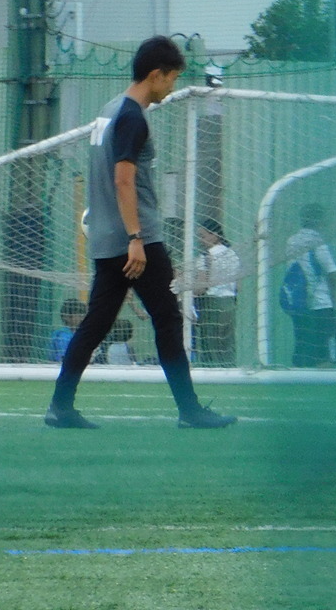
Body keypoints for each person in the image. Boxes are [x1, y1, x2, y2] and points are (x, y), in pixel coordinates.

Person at [45, 36, 234, 429]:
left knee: (96, 322)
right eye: (172, 79)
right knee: (168, 320)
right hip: (137, 242)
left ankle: (60, 406)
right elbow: (123, 181)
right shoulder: (132, 116)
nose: (173, 88)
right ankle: (190, 411)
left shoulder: (108, 110)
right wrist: (135, 238)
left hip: (105, 238)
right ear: (156, 75)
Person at [285, 203, 336, 368]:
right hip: (320, 303)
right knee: (326, 350)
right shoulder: (317, 241)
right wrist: (334, 295)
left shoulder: (292, 240)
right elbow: (331, 271)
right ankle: (324, 387)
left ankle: (300, 384)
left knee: (303, 345)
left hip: (299, 303)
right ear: (320, 220)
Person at [191, 218, 240, 367]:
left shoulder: (205, 258)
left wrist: (187, 288)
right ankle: (230, 370)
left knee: (210, 343)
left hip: (211, 303)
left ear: (215, 235)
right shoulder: (233, 255)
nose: (200, 240)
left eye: (203, 236)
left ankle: (212, 373)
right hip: (230, 303)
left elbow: (201, 287)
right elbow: (238, 287)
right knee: (227, 342)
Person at [49, 298, 85, 363]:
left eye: (82, 315)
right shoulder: (63, 335)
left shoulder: (76, 334)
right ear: (66, 317)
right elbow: (64, 358)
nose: (81, 318)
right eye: (78, 314)